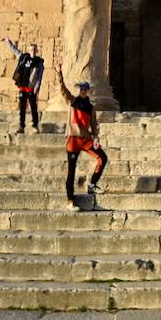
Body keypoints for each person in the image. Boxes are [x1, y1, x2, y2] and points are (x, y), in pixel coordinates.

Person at [56, 62, 108, 211]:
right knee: (71, 171)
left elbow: (94, 124)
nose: (83, 90)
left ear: (88, 90)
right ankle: (70, 200)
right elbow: (63, 90)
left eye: (85, 88)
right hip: (73, 138)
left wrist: (96, 138)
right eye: (81, 88)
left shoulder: (90, 108)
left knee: (102, 158)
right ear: (79, 90)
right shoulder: (72, 101)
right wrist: (59, 74)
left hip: (86, 140)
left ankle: (92, 184)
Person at [5, 37, 44, 133]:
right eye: (31, 50)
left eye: (34, 50)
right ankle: (21, 126)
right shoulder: (24, 57)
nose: (33, 51)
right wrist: (9, 42)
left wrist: (37, 87)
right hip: (23, 86)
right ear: (28, 50)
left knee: (33, 107)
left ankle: (35, 125)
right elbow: (15, 50)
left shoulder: (39, 62)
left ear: (37, 51)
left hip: (31, 88)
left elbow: (39, 76)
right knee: (22, 107)